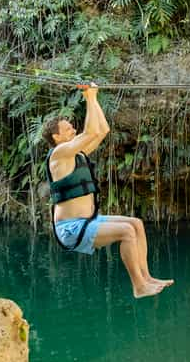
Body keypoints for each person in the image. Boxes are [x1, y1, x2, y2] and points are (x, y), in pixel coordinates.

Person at [42, 83, 174, 298]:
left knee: (136, 224)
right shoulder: (59, 154)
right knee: (127, 232)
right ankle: (138, 286)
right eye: (68, 130)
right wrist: (91, 97)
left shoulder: (77, 153)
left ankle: (147, 278)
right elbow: (90, 131)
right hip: (71, 228)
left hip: (88, 220)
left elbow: (102, 130)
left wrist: (92, 97)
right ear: (56, 137)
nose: (74, 131)